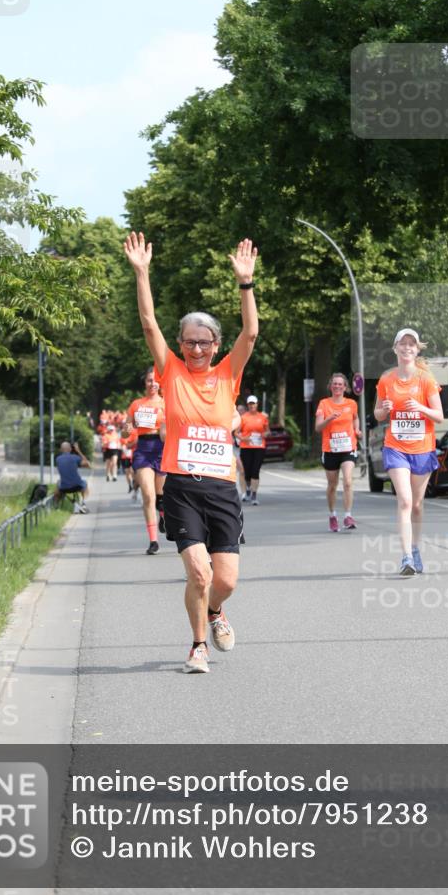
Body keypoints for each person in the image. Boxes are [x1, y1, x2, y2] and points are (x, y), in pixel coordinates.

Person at [124, 230, 258, 674]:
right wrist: (142, 273)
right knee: (198, 573)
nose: (196, 349)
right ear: (180, 345)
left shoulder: (227, 375)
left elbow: (252, 332)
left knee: (226, 581)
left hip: (222, 488)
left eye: (204, 342)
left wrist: (245, 283)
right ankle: (198, 645)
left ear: (216, 345)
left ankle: (217, 612)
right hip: (181, 486)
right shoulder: (171, 372)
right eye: (189, 342)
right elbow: (148, 323)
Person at [374, 329, 443, 577]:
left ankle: (415, 548)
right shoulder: (386, 380)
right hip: (396, 448)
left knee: (416, 504)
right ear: (395, 349)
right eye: (402, 344)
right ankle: (406, 558)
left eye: (411, 344)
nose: (406, 348)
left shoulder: (426, 379)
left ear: (417, 350)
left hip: (423, 449)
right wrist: (385, 409)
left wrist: (421, 408)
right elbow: (378, 414)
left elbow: (439, 415)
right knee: (404, 500)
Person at [315, 373, 362, 531]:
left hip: (348, 447)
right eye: (334, 384)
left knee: (348, 481)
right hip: (330, 449)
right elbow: (318, 427)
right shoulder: (324, 404)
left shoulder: (351, 403)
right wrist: (329, 418)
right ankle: (333, 515)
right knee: (332, 485)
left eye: (340, 384)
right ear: (331, 386)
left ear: (345, 387)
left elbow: (355, 417)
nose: (337, 386)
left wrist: (357, 429)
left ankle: (348, 516)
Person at [127, 369, 166, 554]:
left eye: (155, 381)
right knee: (148, 495)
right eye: (149, 381)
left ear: (160, 384)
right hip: (143, 448)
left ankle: (163, 515)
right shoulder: (137, 404)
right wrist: (127, 430)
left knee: (162, 496)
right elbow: (128, 428)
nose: (152, 384)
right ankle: (153, 541)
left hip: (162, 448)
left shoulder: (167, 403)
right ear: (145, 383)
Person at [237, 395, 270, 505]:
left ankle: (254, 495)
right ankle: (247, 489)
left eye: (254, 403)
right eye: (250, 404)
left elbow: (268, 431)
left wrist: (265, 434)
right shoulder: (243, 418)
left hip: (259, 447)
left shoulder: (263, 417)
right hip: (246, 447)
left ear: (257, 404)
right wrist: (243, 438)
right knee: (247, 472)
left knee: (255, 470)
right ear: (248, 405)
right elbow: (236, 433)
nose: (252, 406)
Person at [54, 440, 91, 512]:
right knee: (85, 483)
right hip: (77, 486)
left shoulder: (58, 459)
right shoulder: (75, 457)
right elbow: (88, 464)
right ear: (70, 449)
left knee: (58, 483)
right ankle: (83, 503)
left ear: (61, 450)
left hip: (64, 488)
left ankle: (56, 506)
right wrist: (78, 450)